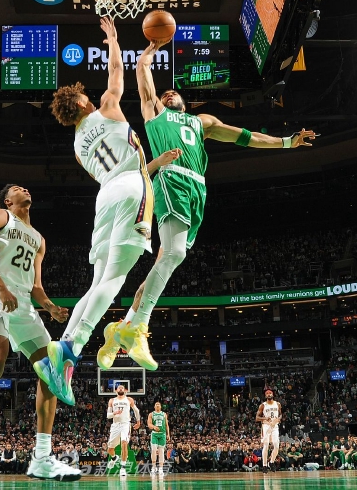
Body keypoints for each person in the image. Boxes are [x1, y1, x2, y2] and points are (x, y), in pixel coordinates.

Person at [98, 53, 316, 371]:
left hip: (198, 190)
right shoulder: (156, 113)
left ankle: (121, 328)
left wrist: (286, 143)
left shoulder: (204, 122)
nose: (168, 94)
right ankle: (138, 327)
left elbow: (247, 137)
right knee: (174, 254)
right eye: (164, 93)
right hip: (172, 179)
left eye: (173, 93)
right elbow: (144, 79)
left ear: (185, 102)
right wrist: (147, 54)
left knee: (165, 264)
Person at [42, 16, 180, 403]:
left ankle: (64, 348)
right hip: (132, 187)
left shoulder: (76, 147)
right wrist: (114, 40)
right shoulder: (105, 107)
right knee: (114, 281)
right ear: (81, 103)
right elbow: (116, 70)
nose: (90, 96)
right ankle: (71, 347)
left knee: (98, 283)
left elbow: (114, 169)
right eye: (84, 96)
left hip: (105, 198)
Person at [0, 185, 81, 482]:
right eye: (16, 188)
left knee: (52, 369)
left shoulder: (39, 239)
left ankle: (42, 458)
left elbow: (36, 286)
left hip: (23, 302)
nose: (23, 188)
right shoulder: (0, 215)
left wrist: (49, 307)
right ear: (9, 200)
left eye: (24, 187)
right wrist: (1, 286)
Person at [105, 384, 140, 477]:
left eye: (122, 388)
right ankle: (114, 458)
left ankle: (123, 467)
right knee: (110, 449)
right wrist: (114, 413)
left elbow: (136, 411)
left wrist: (138, 421)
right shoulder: (112, 400)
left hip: (125, 424)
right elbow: (108, 415)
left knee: (124, 443)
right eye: (119, 388)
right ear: (116, 390)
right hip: (115, 425)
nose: (120, 388)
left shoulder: (129, 399)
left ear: (125, 390)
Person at [255, 389, 280, 472]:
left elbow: (280, 415)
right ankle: (265, 465)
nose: (269, 394)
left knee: (276, 446)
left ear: (273, 394)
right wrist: (265, 418)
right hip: (266, 426)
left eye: (270, 393)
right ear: (265, 396)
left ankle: (272, 462)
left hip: (274, 425)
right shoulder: (263, 405)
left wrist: (278, 419)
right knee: (266, 445)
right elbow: (257, 418)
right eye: (267, 393)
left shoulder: (278, 404)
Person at [147, 401, 169, 476]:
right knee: (153, 450)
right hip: (154, 434)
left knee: (161, 451)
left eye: (159, 404)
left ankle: (161, 468)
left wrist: (168, 434)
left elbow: (166, 425)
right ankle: (153, 467)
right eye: (156, 404)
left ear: (161, 406)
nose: (157, 405)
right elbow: (149, 424)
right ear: (154, 406)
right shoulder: (151, 414)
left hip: (162, 434)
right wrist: (154, 427)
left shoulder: (164, 414)